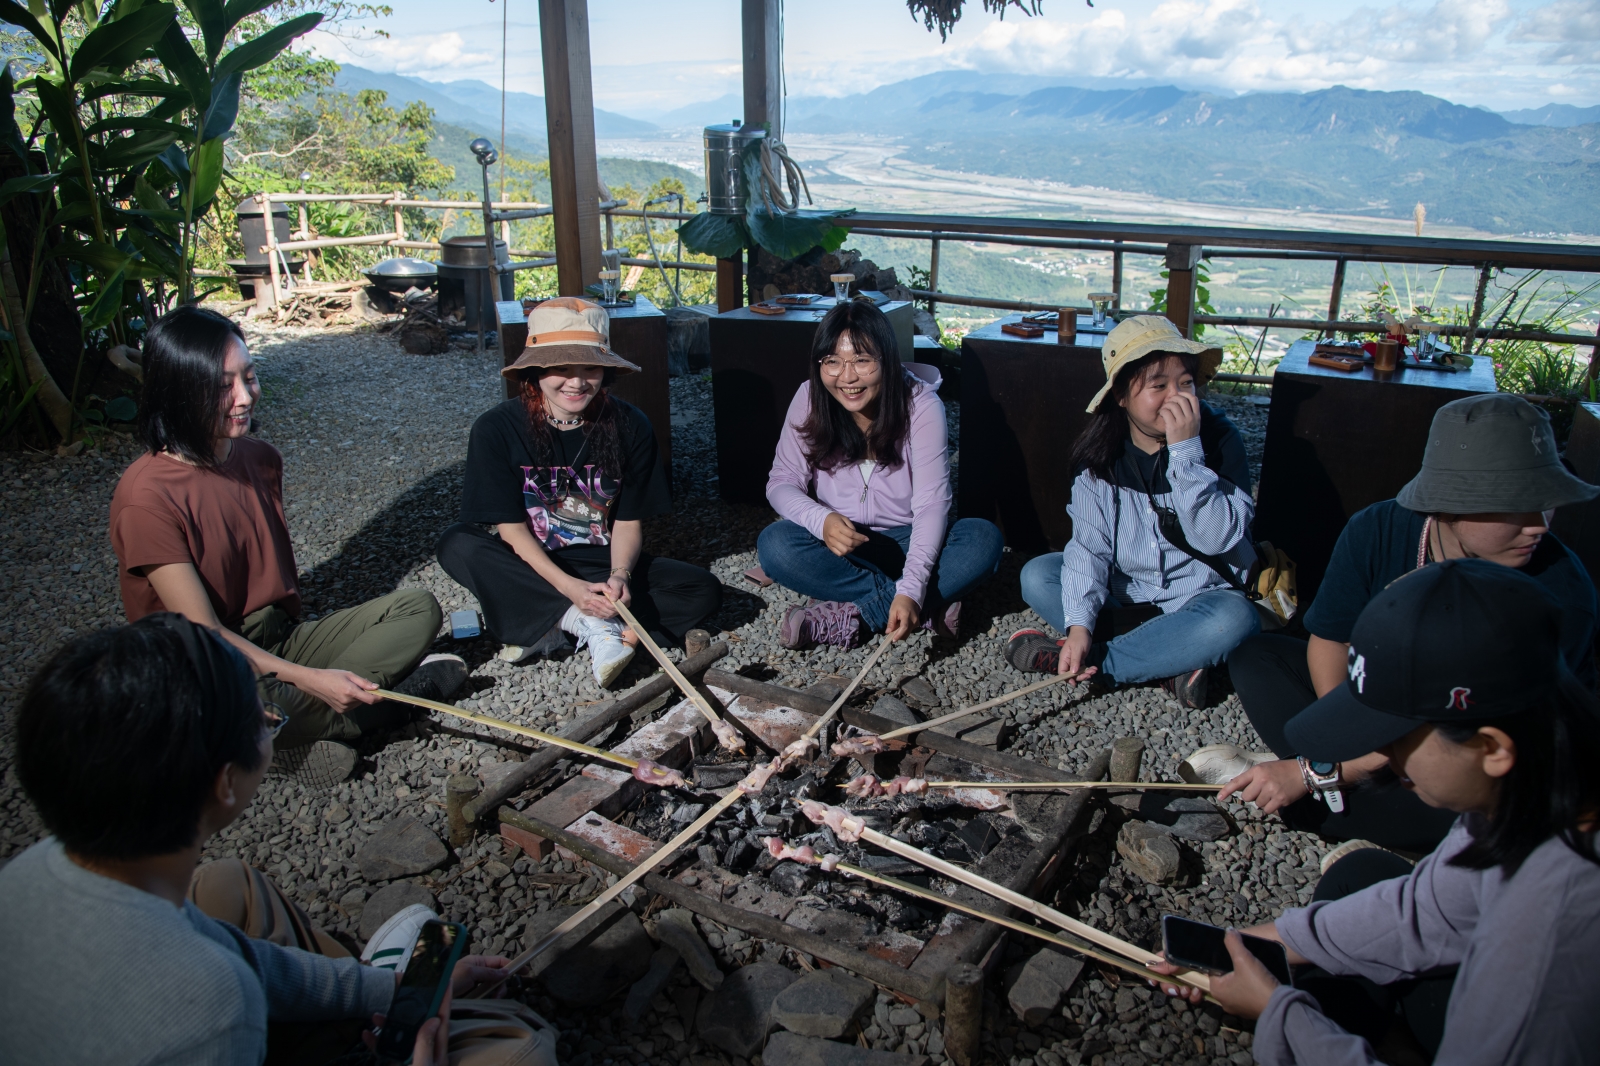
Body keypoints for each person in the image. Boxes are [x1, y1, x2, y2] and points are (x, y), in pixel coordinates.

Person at [0, 614, 556, 1065]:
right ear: (223, 782)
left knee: (223, 884)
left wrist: (393, 991)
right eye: (264, 722)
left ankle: (378, 973)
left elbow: (242, 958)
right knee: (523, 1048)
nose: (270, 725)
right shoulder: (207, 1011)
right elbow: (219, 981)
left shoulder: (38, 870)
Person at [1151, 559, 1600, 1065]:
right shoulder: (1529, 799)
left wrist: (1279, 1014)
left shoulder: (1549, 943)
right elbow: (1426, 909)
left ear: (1492, 748)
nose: (1386, 761)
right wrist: (1242, 944)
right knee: (1359, 874)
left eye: (1396, 740)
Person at [1196, 394, 1598, 853]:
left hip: (1473, 750)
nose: (1539, 525)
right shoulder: (1378, 529)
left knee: (1479, 814)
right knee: (1257, 656)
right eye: (1515, 506)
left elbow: (1484, 744)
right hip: (1381, 702)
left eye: (1547, 503)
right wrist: (1343, 739)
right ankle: (1329, 790)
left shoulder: (1561, 598)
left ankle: (1323, 801)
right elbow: (1329, 639)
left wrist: (1320, 773)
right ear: (1446, 502)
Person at [109, 306, 464, 788]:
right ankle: (370, 711)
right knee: (259, 704)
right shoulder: (145, 496)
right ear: (178, 391)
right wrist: (313, 679)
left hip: (276, 638)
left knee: (417, 608)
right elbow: (203, 633)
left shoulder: (260, 459)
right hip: (202, 666)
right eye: (221, 387)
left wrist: (300, 671)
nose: (243, 397)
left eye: (249, 377)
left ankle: (269, 737)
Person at [437, 297, 721, 686]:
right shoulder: (495, 429)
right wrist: (572, 591)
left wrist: (620, 576)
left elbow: (626, 520)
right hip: (530, 559)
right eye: (560, 368)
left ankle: (546, 625)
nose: (576, 381)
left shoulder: (630, 425)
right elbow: (512, 530)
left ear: (606, 369)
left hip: (598, 559)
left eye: (590, 367)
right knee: (457, 542)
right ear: (535, 370)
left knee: (701, 588)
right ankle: (589, 625)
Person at [1008, 315, 1258, 708]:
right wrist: (1077, 626)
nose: (1176, 397)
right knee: (1039, 575)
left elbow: (1217, 539)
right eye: (1158, 385)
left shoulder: (1219, 440)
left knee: (1235, 619)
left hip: (1202, 594)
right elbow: (1090, 550)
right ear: (1121, 396)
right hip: (1129, 591)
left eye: (1186, 383)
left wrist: (1187, 454)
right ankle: (1170, 658)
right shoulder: (1100, 459)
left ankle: (1102, 663)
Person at [757, 300, 1003, 647]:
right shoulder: (810, 398)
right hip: (842, 540)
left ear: (886, 359)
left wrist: (912, 586)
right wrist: (821, 520)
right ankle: (926, 605)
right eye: (833, 362)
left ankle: (854, 615)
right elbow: (782, 481)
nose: (847, 377)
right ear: (820, 364)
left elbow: (932, 506)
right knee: (775, 545)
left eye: (862, 360)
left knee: (982, 539)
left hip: (907, 538)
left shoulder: (921, 405)